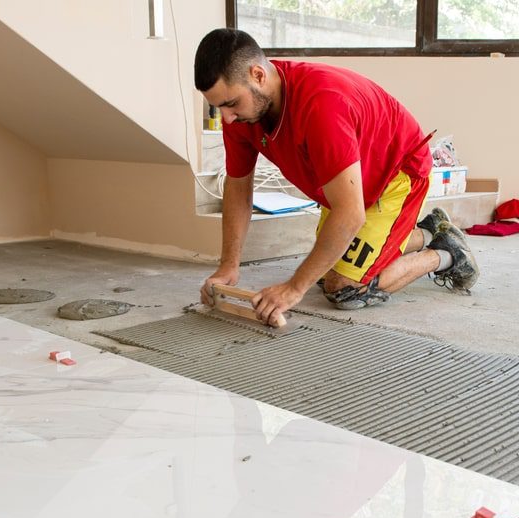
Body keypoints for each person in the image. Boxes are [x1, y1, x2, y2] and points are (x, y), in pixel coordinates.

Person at [194, 28, 479, 327]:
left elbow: (350, 214)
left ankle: (447, 252)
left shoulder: (321, 105)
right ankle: (430, 231)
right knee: (325, 263)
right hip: (346, 184)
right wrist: (228, 266)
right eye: (218, 107)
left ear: (258, 75)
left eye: (230, 104)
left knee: (342, 288)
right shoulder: (242, 112)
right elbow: (238, 187)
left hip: (395, 176)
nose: (226, 118)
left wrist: (293, 289)